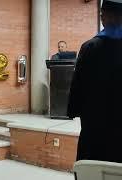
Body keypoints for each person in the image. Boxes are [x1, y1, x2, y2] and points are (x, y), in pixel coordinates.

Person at [67, 0, 122, 162]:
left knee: (92, 165)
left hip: (95, 123)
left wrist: (73, 109)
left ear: (104, 16)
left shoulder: (90, 47)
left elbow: (78, 84)